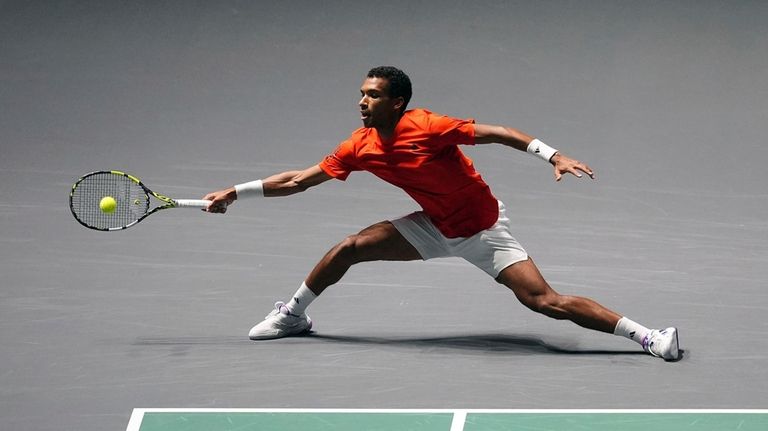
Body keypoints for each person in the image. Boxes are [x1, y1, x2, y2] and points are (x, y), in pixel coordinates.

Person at [203, 66, 680, 361]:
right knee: (348, 249)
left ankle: (649, 337)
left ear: (397, 102)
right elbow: (298, 180)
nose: (361, 102)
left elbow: (498, 132)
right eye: (361, 94)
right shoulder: (360, 146)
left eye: (371, 95)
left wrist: (551, 154)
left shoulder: (428, 126)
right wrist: (236, 193)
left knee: (545, 303)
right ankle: (292, 315)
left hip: (483, 231)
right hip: (432, 227)